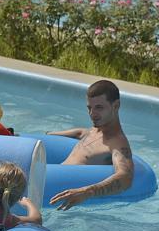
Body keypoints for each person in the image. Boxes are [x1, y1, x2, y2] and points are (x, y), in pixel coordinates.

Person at [45, 80, 135, 211]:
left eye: (99, 107)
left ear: (116, 106)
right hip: (49, 179)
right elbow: (80, 132)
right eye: (89, 108)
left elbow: (126, 178)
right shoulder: (94, 130)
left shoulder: (116, 143)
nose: (92, 114)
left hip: (60, 197)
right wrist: (49, 134)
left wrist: (87, 191)